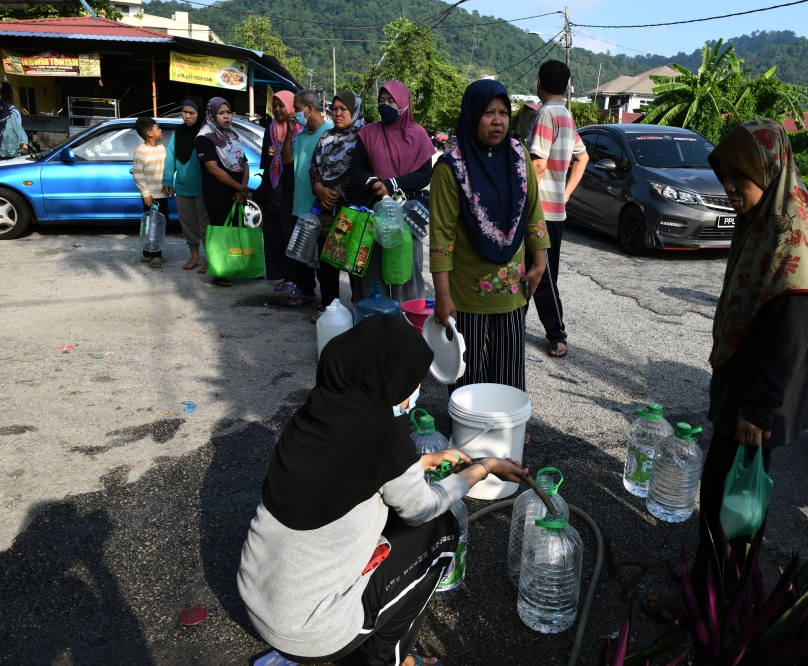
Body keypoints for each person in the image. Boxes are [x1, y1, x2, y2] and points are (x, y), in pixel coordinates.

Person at [238, 315, 529, 665]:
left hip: (260, 600)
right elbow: (424, 508)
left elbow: (351, 472)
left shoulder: (315, 412)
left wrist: (420, 462)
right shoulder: (383, 436)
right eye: (411, 382)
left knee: (391, 515)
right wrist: (484, 468)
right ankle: (385, 659)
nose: (412, 393)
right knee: (441, 529)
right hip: (315, 632)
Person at [646, 118, 808, 621]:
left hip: (761, 389)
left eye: (739, 176)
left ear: (767, 169)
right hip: (747, 376)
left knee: (730, 501)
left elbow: (791, 331)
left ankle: (710, 604)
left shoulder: (791, 235)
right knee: (728, 493)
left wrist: (757, 406)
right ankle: (716, 581)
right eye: (724, 175)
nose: (729, 187)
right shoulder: (766, 215)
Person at [430, 80, 550, 391]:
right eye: (488, 113)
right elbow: (441, 238)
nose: (498, 121)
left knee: (509, 376)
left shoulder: (518, 157)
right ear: (472, 116)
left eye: (503, 113)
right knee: (468, 379)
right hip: (466, 295)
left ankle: (507, 420)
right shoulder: (450, 169)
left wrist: (539, 263)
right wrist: (443, 297)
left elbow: (533, 212)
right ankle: (468, 423)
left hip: (512, 291)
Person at [348, 80, 437, 303]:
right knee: (372, 272)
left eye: (391, 101)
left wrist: (391, 184)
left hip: (406, 213)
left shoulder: (418, 135)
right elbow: (356, 169)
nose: (384, 105)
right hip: (374, 211)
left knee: (404, 270)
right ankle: (374, 318)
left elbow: (424, 175)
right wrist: (374, 183)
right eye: (381, 100)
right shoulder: (368, 133)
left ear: (404, 104)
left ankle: (406, 318)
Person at [525, 60, 589, 358]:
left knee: (542, 274)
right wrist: (564, 195)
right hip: (554, 210)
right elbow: (583, 158)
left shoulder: (546, 114)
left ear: (539, 82)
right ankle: (514, 324)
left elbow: (537, 165)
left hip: (538, 212)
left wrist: (523, 205)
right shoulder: (566, 116)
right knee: (534, 270)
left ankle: (556, 334)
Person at [307, 91, 366, 315]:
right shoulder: (326, 136)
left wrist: (338, 192)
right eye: (335, 108)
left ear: (355, 110)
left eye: (344, 109)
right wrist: (319, 189)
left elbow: (362, 170)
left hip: (351, 209)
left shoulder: (363, 137)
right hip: (325, 206)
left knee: (353, 261)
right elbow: (314, 166)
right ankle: (329, 307)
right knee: (326, 260)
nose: (338, 113)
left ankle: (359, 311)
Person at [285, 89, 335, 309]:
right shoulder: (302, 134)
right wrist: (289, 132)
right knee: (303, 253)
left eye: (297, 109)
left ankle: (328, 302)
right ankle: (307, 291)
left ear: (309, 108)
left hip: (319, 206)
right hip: (300, 204)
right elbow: (287, 159)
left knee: (323, 258)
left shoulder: (329, 132)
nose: (295, 114)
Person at [196, 97, 249, 288]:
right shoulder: (204, 137)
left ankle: (237, 268)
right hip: (217, 194)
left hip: (237, 193)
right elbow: (213, 169)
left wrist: (242, 188)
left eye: (228, 112)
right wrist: (239, 187)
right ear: (212, 115)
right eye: (221, 113)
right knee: (221, 234)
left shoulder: (233, 135)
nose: (226, 116)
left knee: (237, 231)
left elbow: (244, 163)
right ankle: (219, 273)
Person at [258, 90, 301, 293]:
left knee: (290, 236)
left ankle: (296, 278)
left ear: (291, 106)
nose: (277, 109)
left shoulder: (300, 131)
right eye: (274, 105)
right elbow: (266, 163)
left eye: (281, 105)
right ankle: (284, 276)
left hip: (292, 194)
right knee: (274, 237)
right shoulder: (271, 130)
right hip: (273, 192)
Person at [163, 96, 210, 272]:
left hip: (203, 188)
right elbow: (170, 156)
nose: (187, 116)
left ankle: (210, 259)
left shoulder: (205, 132)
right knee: (188, 224)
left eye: (192, 113)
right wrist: (168, 179)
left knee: (206, 225)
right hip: (183, 187)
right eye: (184, 112)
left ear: (200, 113)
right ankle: (195, 257)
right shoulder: (178, 132)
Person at [133, 117, 168, 269]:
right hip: (151, 197)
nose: (160, 130)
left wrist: (169, 185)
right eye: (157, 128)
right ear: (149, 133)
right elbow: (138, 174)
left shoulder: (162, 148)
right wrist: (145, 193)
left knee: (161, 224)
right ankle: (155, 255)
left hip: (162, 194)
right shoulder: (141, 151)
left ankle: (148, 252)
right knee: (152, 225)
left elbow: (165, 169)